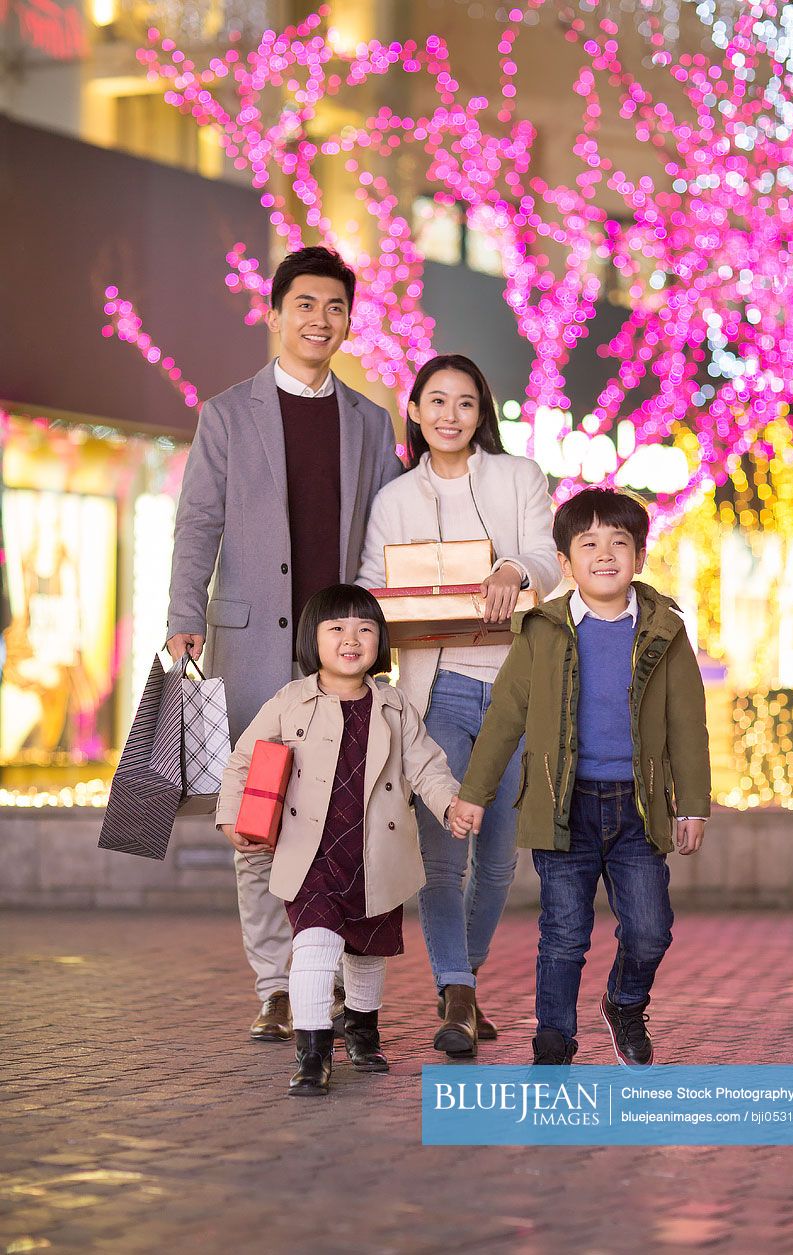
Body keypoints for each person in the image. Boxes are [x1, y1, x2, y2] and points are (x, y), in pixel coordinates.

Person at [166, 246, 403, 1043]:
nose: (319, 320)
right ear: (274, 314)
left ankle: (326, 975)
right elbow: (198, 520)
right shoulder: (227, 414)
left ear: (347, 320)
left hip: (340, 650)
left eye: (334, 307)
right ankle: (275, 983)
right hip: (251, 649)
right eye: (304, 305)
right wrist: (180, 611)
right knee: (258, 814)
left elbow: (387, 529)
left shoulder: (371, 422)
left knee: (344, 816)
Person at [450, 487, 711, 1067]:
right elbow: (504, 720)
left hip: (639, 808)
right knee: (563, 935)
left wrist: (692, 804)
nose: (604, 553)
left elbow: (688, 723)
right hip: (562, 803)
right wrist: (473, 795)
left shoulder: (665, 632)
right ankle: (553, 1041)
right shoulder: (542, 631)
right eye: (588, 543)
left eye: (619, 542)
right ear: (565, 563)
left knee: (650, 929)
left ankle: (624, 1000)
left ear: (639, 557)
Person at [357, 354, 561, 1057]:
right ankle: (457, 990)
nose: (449, 414)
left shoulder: (518, 477)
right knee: (444, 859)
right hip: (433, 691)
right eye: (435, 401)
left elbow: (546, 554)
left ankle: (461, 986)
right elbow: (370, 586)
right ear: (413, 410)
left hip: (513, 692)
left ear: (482, 413)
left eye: (465, 403)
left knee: (500, 860)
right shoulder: (393, 499)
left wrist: (514, 568)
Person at [216, 585, 460, 1096]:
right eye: (337, 629)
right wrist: (232, 818)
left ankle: (363, 1031)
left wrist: (451, 804)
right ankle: (312, 1052)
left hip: (375, 854)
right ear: (314, 639)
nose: (352, 640)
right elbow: (244, 759)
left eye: (365, 629)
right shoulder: (291, 701)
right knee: (314, 947)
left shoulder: (394, 707)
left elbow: (427, 766)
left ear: (381, 642)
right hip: (312, 855)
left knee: (367, 953)